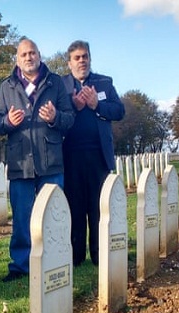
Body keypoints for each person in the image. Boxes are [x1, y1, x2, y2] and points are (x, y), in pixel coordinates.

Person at [0, 38, 75, 282]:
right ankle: (21, 266)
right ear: (17, 59)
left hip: (51, 161)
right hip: (20, 163)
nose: (29, 57)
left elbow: (70, 119)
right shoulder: (6, 87)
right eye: (24, 54)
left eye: (32, 53)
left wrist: (55, 117)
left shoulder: (55, 82)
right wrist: (8, 122)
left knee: (53, 214)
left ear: (39, 55)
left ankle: (55, 259)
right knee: (22, 218)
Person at [61, 40, 125, 266]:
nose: (82, 61)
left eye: (85, 56)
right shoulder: (60, 85)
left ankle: (99, 254)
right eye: (77, 58)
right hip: (71, 156)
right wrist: (74, 106)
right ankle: (76, 256)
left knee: (99, 207)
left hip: (99, 155)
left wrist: (97, 105)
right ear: (69, 63)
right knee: (75, 207)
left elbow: (119, 111)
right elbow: (56, 115)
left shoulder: (104, 83)